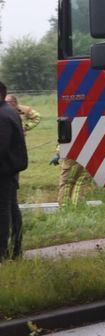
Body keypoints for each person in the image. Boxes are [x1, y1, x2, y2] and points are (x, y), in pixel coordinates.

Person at [0, 81, 27, 259]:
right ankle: (15, 250)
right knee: (11, 208)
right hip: (10, 168)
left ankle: (2, 253)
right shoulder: (9, 111)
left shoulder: (2, 115)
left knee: (3, 211)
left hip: (3, 170)